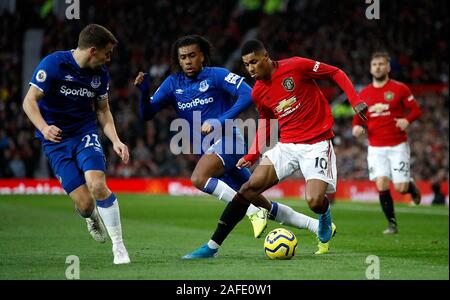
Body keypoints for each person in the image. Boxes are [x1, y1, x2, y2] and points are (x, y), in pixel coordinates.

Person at [134, 36, 325, 257]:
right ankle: (317, 225)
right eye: (183, 57)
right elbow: (146, 114)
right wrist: (143, 92)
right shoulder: (172, 83)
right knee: (260, 201)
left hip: (230, 141)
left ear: (202, 56)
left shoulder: (216, 75)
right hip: (209, 149)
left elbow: (248, 94)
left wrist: (221, 120)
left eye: (192, 56)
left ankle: (253, 214)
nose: (187, 61)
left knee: (198, 178)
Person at [182, 39, 368, 259]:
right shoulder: (258, 91)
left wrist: (355, 101)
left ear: (266, 57)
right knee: (248, 189)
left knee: (314, 201)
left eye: (254, 62)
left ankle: (324, 215)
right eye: (246, 64)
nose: (250, 69)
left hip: (316, 144)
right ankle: (212, 246)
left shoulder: (296, 66)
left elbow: (335, 73)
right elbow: (266, 121)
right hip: (287, 145)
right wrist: (253, 153)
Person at [22, 24, 130, 264]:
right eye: (107, 53)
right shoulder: (54, 64)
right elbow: (29, 101)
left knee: (98, 185)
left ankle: (119, 248)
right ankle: (91, 217)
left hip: (84, 133)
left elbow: (103, 110)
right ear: (93, 50)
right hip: (56, 141)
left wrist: (115, 140)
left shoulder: (100, 74)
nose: (109, 58)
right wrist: (44, 127)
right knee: (84, 204)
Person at [352, 51, 422, 234]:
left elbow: (415, 110)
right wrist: (357, 129)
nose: (378, 67)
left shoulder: (400, 89)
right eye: (375, 64)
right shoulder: (364, 93)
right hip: (375, 147)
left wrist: (407, 120)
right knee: (381, 183)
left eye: (382, 64)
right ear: (370, 68)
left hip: (397, 144)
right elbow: (357, 120)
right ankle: (392, 224)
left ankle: (411, 187)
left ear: (388, 67)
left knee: (400, 188)